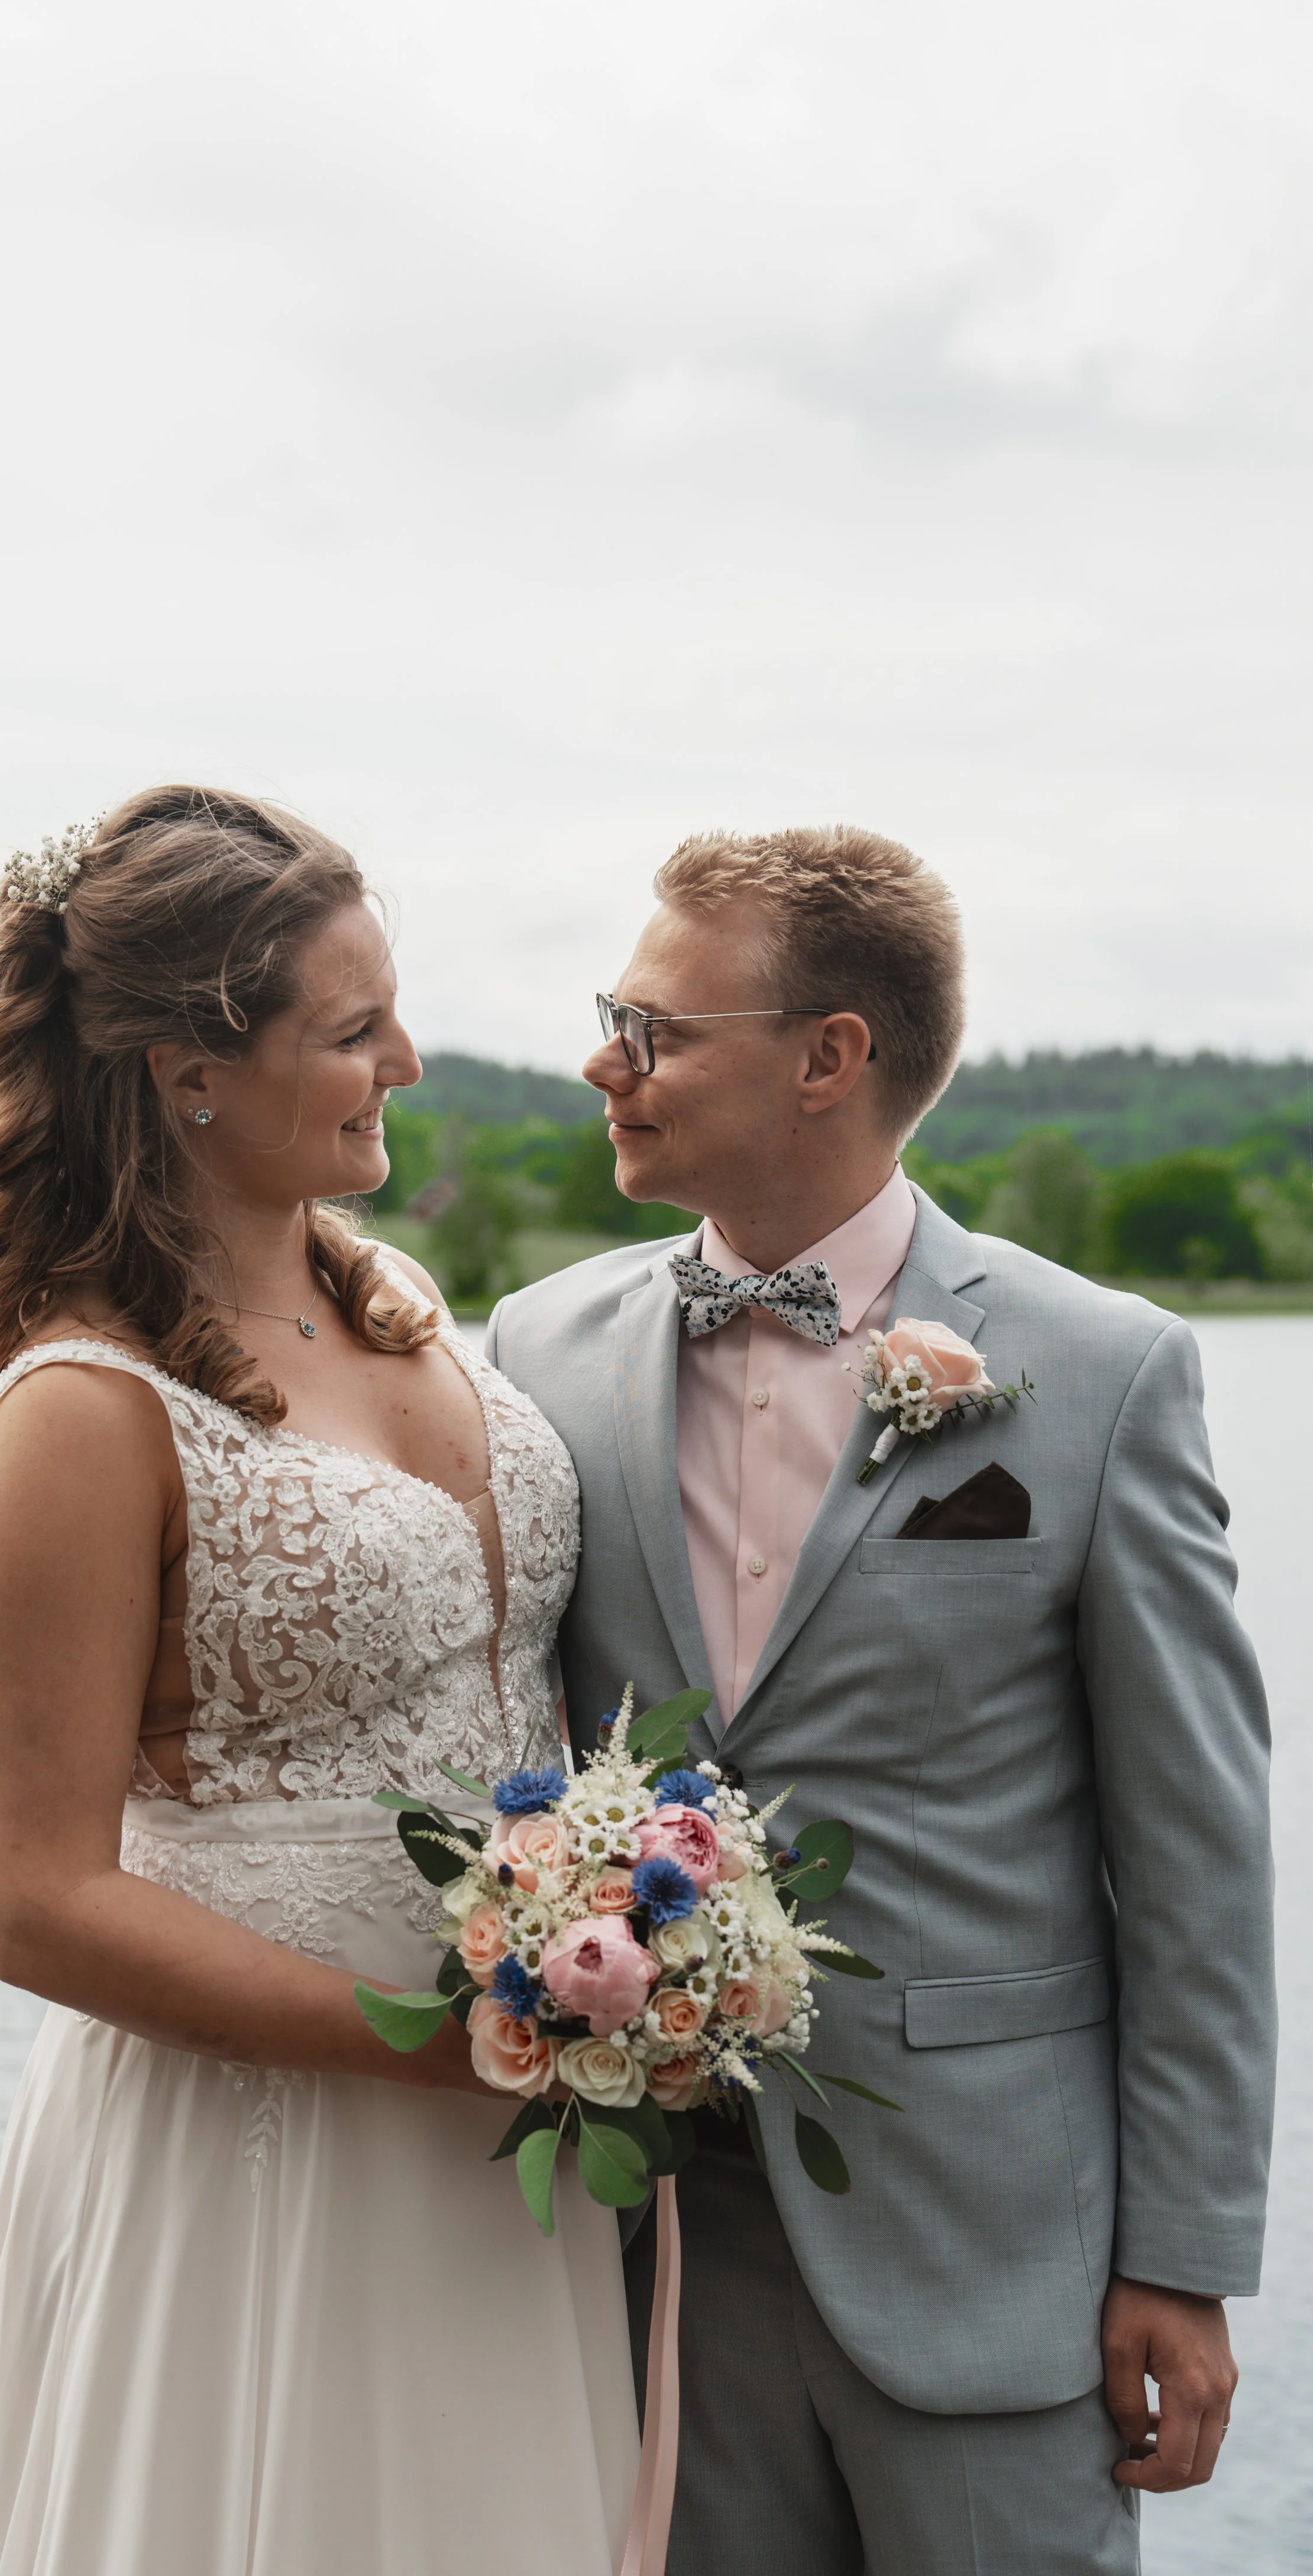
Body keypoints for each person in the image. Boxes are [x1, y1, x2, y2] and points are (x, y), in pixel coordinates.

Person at [486, 824, 1274, 2576]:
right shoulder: (533, 1352)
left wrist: (1184, 2255)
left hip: (991, 2243)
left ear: (827, 1055)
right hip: (656, 2228)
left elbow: (1198, 1861)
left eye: (654, 1026)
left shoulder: (1098, 1371)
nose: (602, 1064)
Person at [0, 787, 638, 2576]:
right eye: (350, 1027)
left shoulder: (387, 1289)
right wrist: (437, 2050)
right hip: (268, 2150)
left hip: (513, 2152)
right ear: (187, 1073)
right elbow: (38, 1906)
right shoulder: (77, 1416)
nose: (405, 1055)